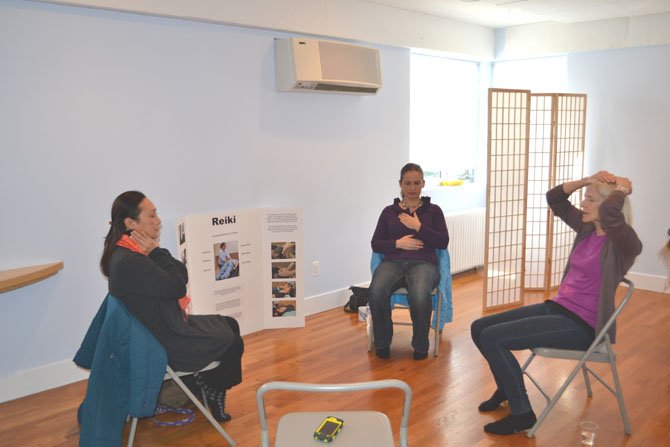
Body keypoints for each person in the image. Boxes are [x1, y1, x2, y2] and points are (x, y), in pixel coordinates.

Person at [470, 171, 642, 435]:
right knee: (479, 327)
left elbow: (610, 212)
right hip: (558, 308)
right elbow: (555, 199)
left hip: (583, 326)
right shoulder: (587, 230)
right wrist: (588, 180)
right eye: (585, 197)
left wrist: (621, 189)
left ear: (610, 204)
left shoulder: (625, 244)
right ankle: (507, 388)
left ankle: (523, 414)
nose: (583, 203)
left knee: (493, 337)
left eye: (591, 200)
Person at [100, 191, 244, 422]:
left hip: (163, 326)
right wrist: (155, 251)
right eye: (152, 216)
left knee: (231, 324)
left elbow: (181, 273)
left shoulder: (130, 250)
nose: (158, 221)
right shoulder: (131, 261)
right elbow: (178, 286)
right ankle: (213, 390)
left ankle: (204, 386)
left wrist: (155, 251)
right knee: (233, 341)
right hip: (166, 340)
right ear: (130, 223)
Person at [368, 163, 449, 360]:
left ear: (423, 183)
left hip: (424, 264)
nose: (412, 188)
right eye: (407, 183)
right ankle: (383, 343)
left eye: (416, 183)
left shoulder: (434, 211)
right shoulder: (389, 212)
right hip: (393, 263)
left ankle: (421, 346)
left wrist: (418, 226)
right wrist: (398, 243)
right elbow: (376, 243)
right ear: (400, 184)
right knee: (376, 291)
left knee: (420, 293)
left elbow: (443, 241)